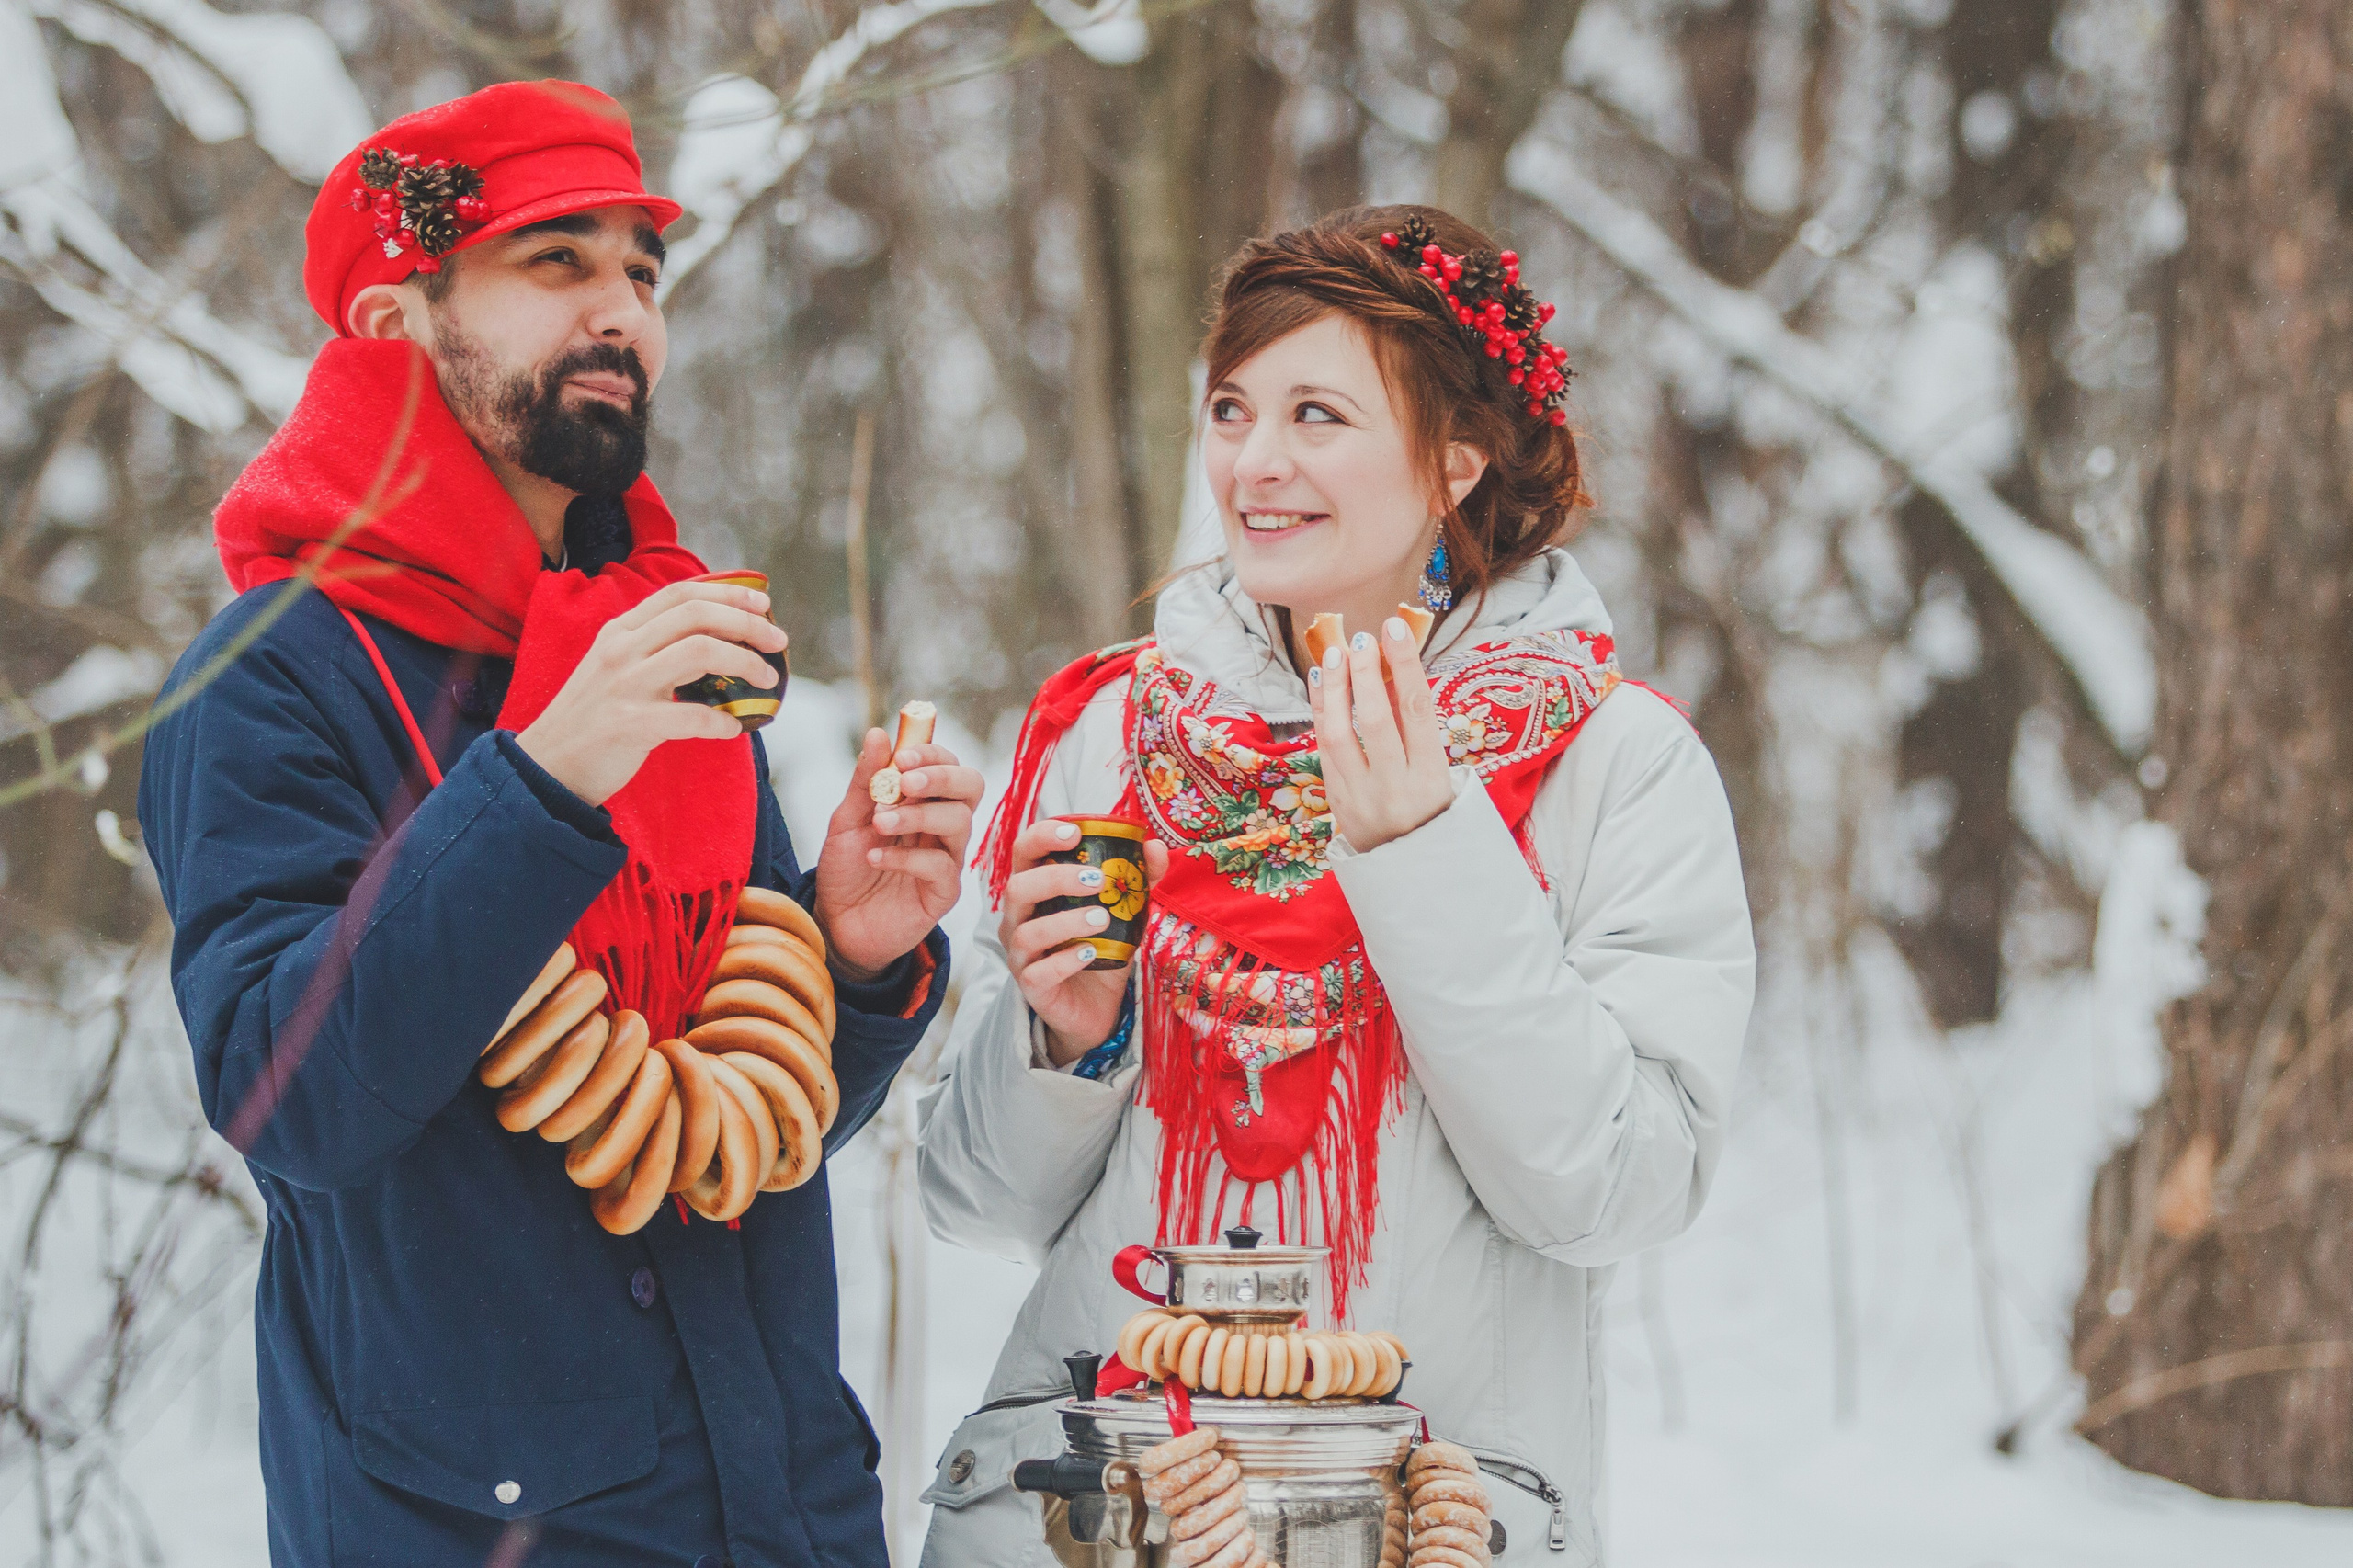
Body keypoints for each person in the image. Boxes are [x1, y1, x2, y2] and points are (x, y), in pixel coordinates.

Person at [136, 82, 981, 1567]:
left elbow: (736, 1135)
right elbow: (292, 1102)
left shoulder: (663, 637)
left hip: (776, 1510)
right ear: (399, 323)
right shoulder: (267, 672)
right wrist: (537, 786)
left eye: (643, 275)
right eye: (558, 263)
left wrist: (847, 961)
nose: (626, 315)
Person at [915, 205, 1755, 1565]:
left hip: (1413, 1523)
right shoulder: (1115, 732)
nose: (1255, 461)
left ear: (1457, 458)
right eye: (1234, 408)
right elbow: (971, 1199)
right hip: (1089, 1518)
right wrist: (1063, 1039)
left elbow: (1614, 1185)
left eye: (1318, 413)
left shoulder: (1620, 763)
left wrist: (1428, 850)